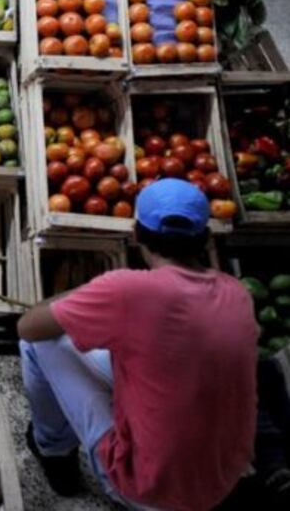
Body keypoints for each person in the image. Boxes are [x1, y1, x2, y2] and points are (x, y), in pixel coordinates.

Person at [17, 178, 257, 510]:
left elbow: (29, 326)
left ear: (135, 234)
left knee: (38, 344)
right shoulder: (238, 293)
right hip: (224, 482)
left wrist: (93, 291)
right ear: (205, 237)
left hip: (150, 491)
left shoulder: (128, 290)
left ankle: (55, 454)